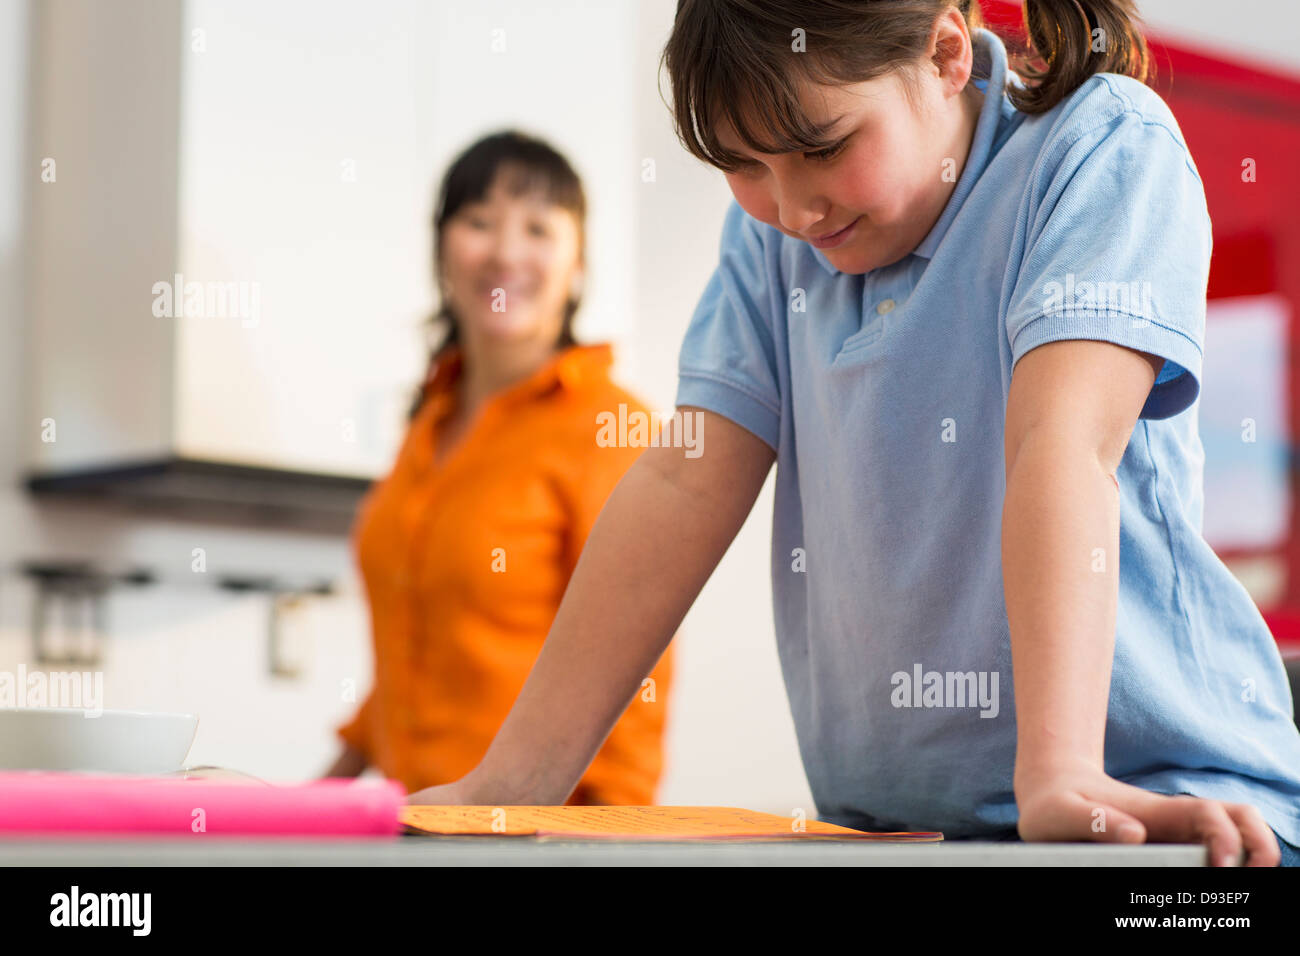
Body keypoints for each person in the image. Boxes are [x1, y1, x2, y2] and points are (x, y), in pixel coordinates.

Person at [408, 1, 1300, 866]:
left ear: (947, 54)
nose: (793, 209)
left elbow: (1058, 447)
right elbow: (683, 484)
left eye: (821, 148)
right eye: (744, 164)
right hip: (898, 828)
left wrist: (1060, 770)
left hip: (1167, 806)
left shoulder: (1097, 146)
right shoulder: (773, 241)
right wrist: (512, 784)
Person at [323, 131, 674, 806]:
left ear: (578, 261)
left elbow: (636, 674)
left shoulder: (609, 426)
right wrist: (309, 804)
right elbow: (413, 652)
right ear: (441, 250)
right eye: (479, 222)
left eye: (538, 228)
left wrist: (611, 848)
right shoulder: (427, 423)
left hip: (531, 842)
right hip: (409, 832)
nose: (506, 252)